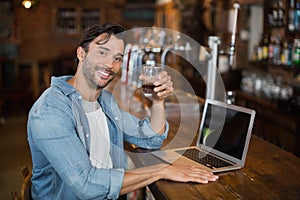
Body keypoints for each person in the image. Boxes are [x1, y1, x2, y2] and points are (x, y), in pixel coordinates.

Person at [27, 23, 218, 199]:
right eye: (102, 53)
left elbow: (150, 138)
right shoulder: (50, 110)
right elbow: (86, 185)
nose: (110, 64)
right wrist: (160, 170)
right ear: (81, 54)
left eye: (117, 58)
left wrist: (158, 102)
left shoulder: (105, 101)